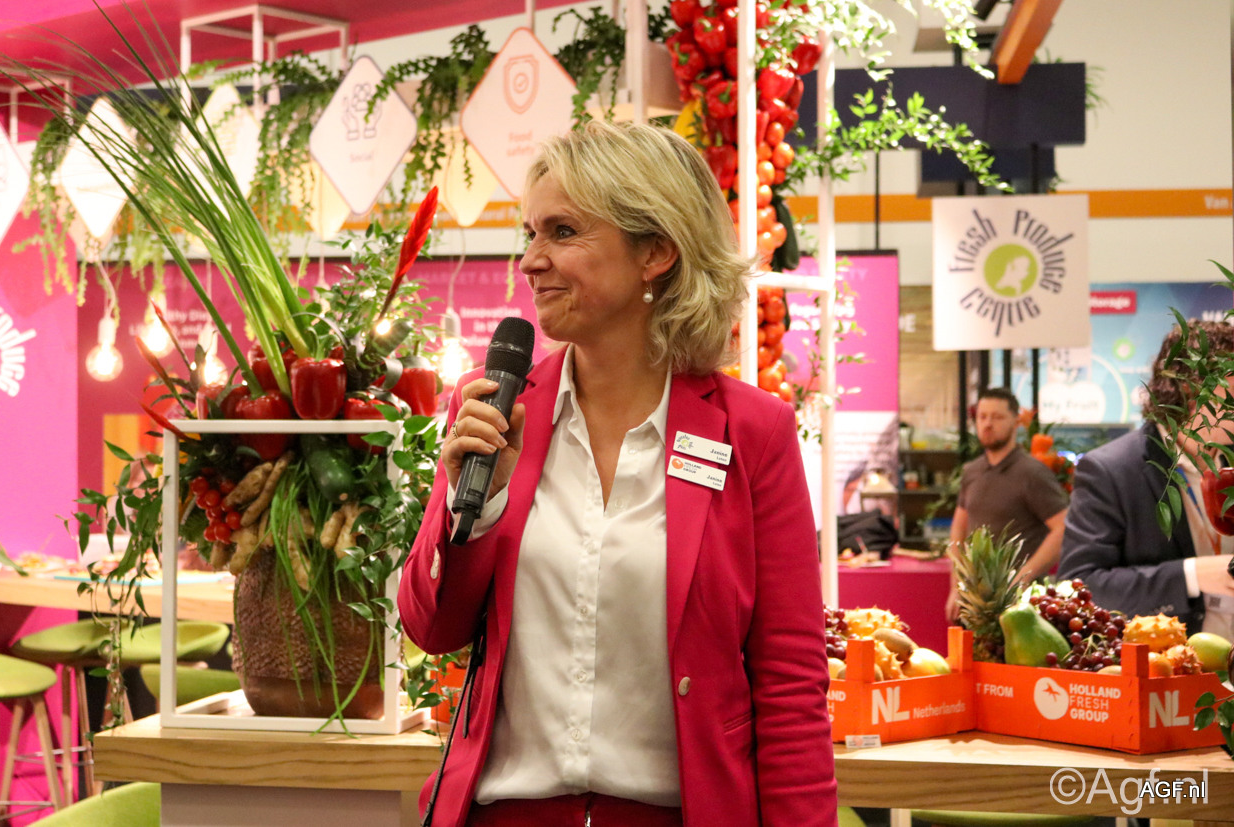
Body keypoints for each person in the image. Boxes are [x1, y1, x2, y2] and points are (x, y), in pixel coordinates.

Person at [398, 121, 838, 827]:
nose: (531, 261)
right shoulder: (494, 410)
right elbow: (432, 626)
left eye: (562, 232)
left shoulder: (752, 433)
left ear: (655, 252)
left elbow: (789, 684)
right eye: (530, 234)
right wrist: (474, 502)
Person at [1058, 321, 1234, 636]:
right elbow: (1081, 586)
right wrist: (1192, 576)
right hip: (1173, 659)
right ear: (1192, 390)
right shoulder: (1110, 470)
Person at [945, 387, 1069, 621]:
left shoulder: (1033, 473)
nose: (988, 424)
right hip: (975, 602)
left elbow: (1063, 528)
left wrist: (1023, 576)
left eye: (997, 417)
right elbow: (959, 528)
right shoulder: (971, 471)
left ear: (1016, 422)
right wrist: (955, 586)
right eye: (982, 417)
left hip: (1021, 606)